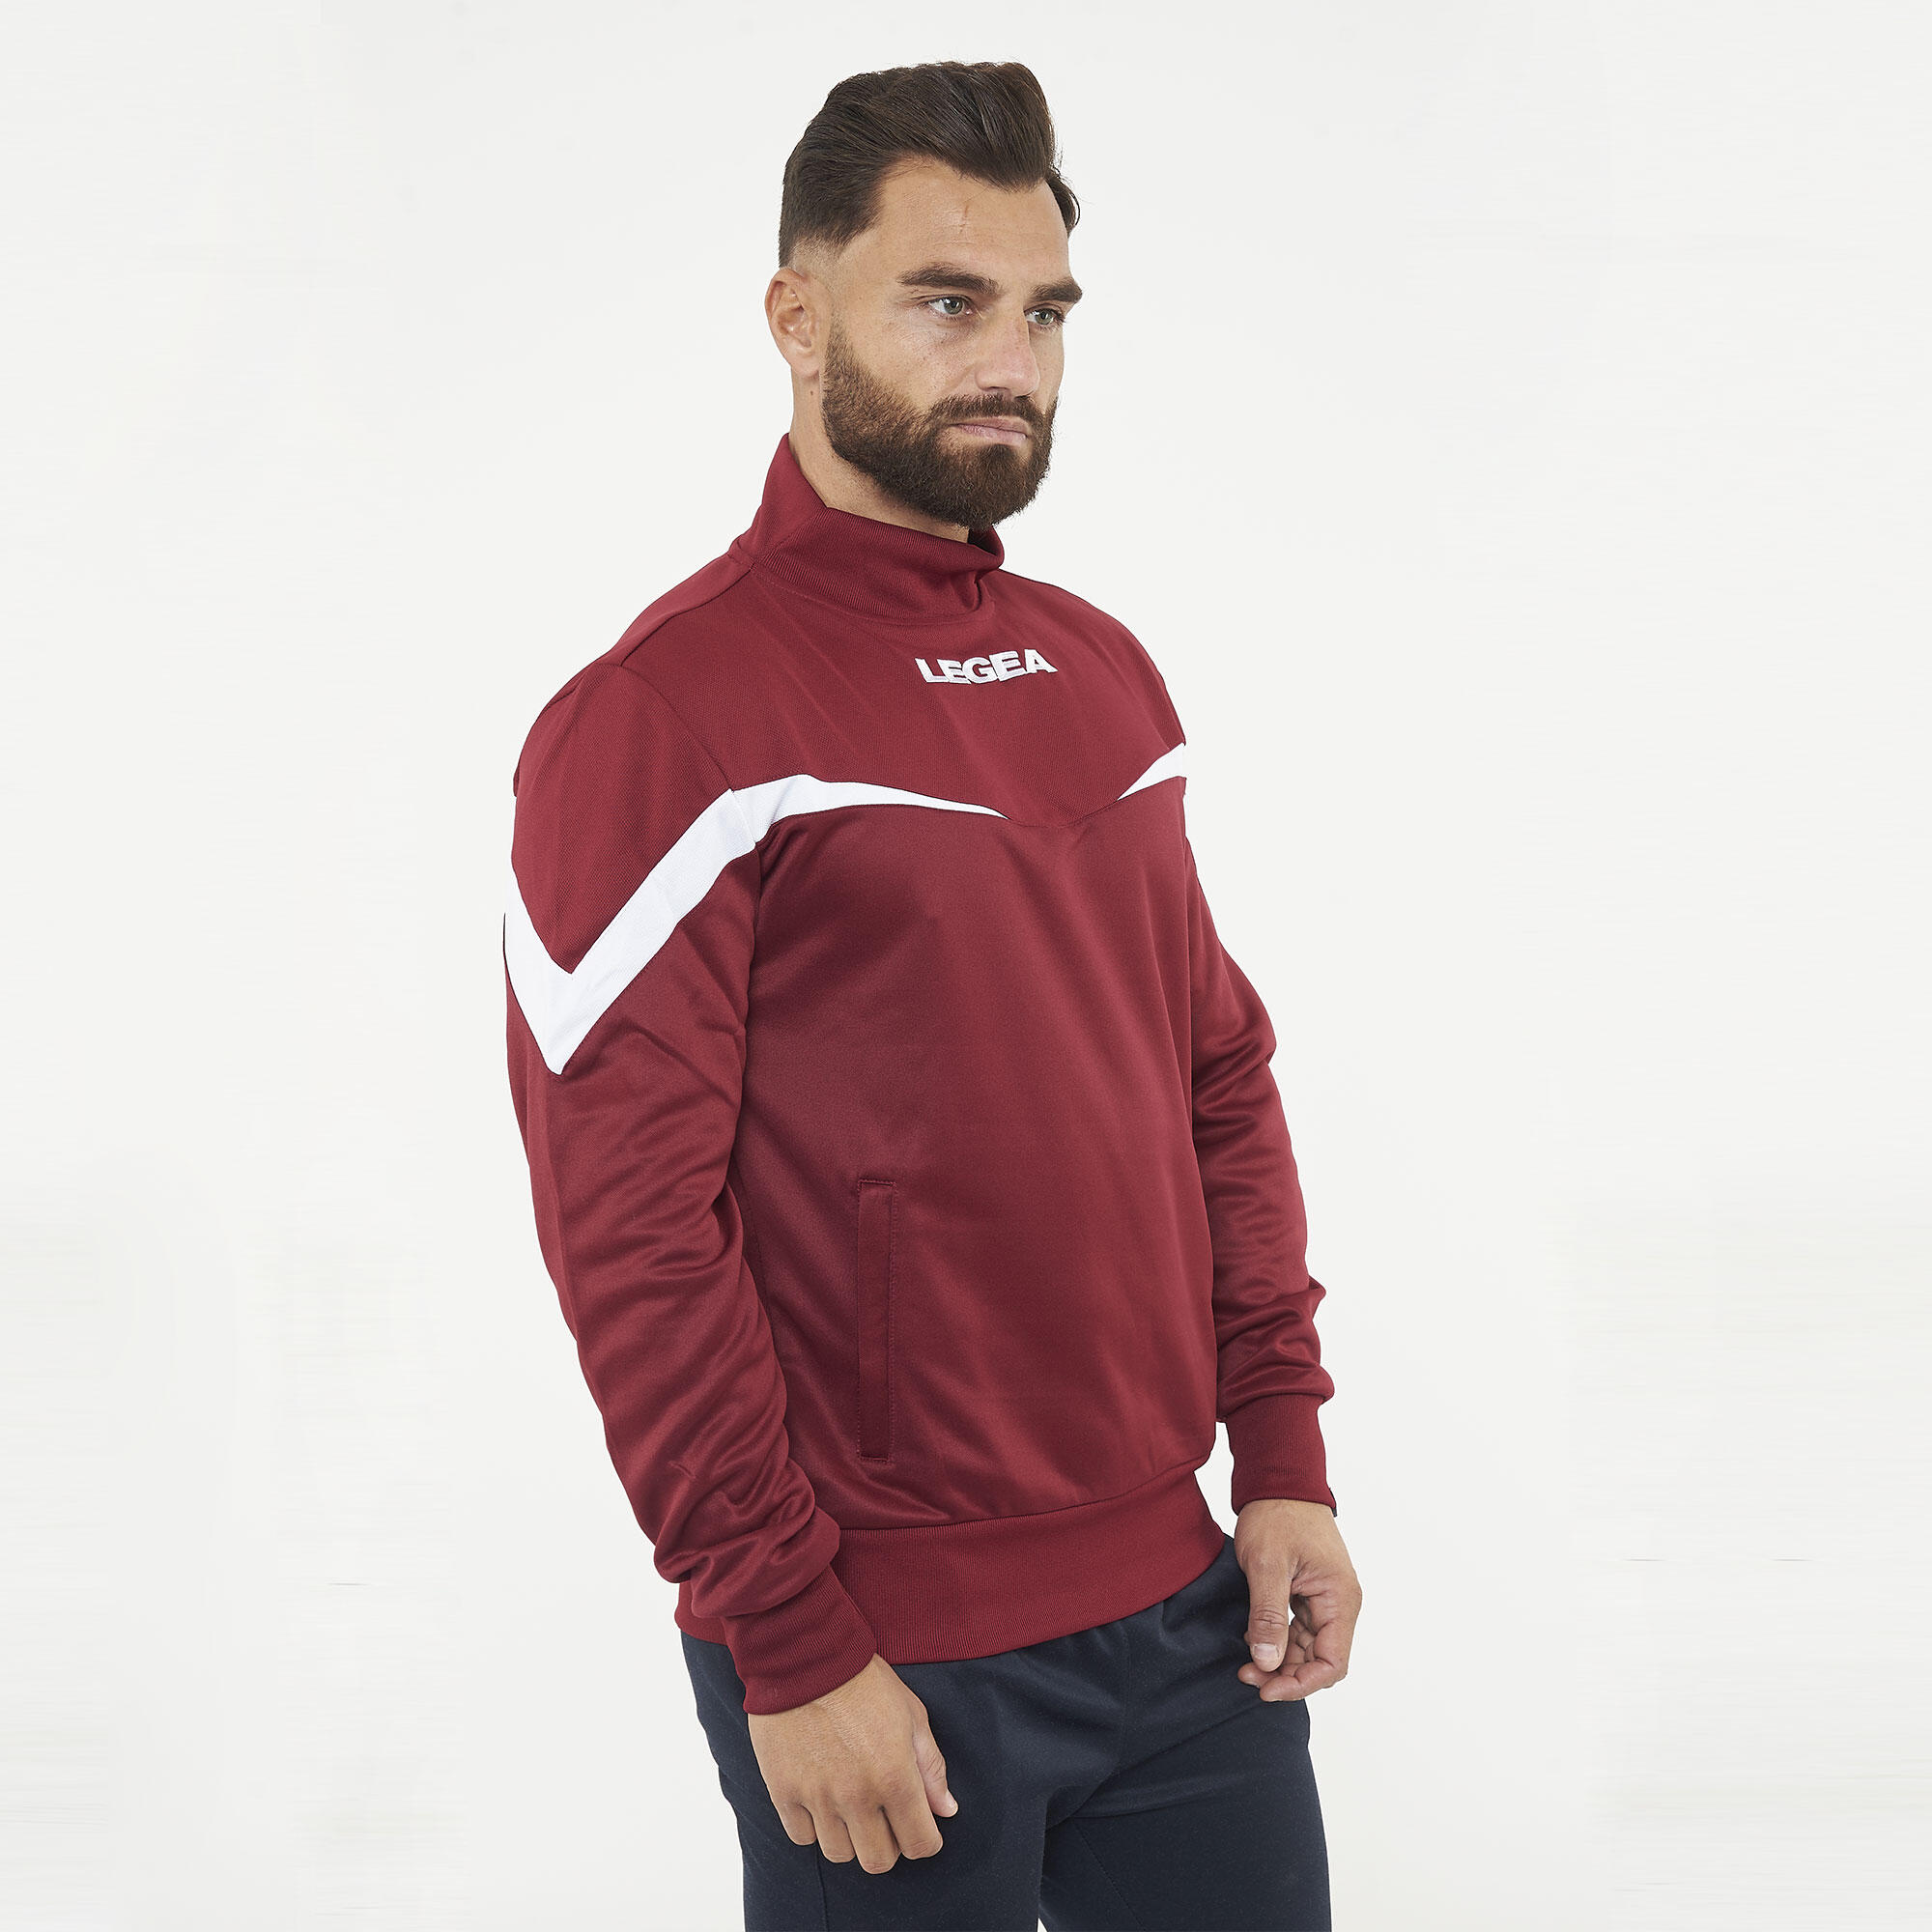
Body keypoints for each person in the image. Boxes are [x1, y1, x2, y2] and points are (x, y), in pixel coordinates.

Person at [503, 58, 1362, 1932]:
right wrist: (788, 1635)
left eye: (1043, 312)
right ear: (795, 316)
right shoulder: (659, 720)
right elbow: (630, 1226)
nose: (1010, 361)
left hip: (1189, 1619)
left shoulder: (1101, 673)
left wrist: (1281, 1460)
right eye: (947, 301)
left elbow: (1215, 1077)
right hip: (875, 1649)